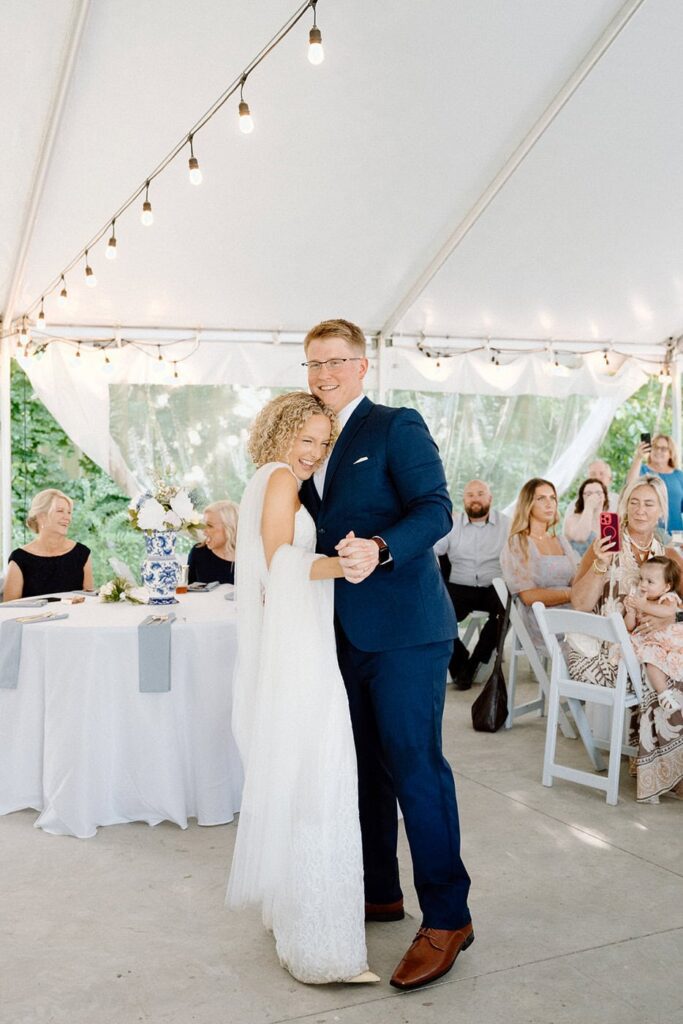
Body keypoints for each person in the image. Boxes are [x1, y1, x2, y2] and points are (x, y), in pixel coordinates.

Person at [299, 318, 472, 993]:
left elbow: (435, 507)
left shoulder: (396, 425)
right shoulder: (308, 440)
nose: (322, 375)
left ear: (363, 365)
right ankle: (379, 892)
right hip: (340, 634)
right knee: (362, 771)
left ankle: (448, 917)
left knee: (414, 770)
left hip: (405, 631)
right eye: (312, 364)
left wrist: (382, 547)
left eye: (335, 361)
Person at [226, 391, 379, 985]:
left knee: (306, 771)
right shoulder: (281, 479)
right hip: (298, 652)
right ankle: (322, 949)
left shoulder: (271, 478)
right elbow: (278, 561)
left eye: (322, 442)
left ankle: (299, 920)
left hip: (297, 640)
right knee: (320, 771)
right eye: (305, 439)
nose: (314, 452)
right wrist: (348, 564)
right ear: (279, 435)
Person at [570, 476, 683, 802]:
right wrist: (601, 566)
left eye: (649, 503)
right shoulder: (603, 544)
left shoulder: (669, 555)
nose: (640, 510)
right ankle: (661, 767)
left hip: (655, 644)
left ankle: (671, 764)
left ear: (662, 510)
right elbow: (579, 602)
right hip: (611, 643)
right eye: (634, 501)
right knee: (662, 669)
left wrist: (668, 616)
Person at [434, 479, 510, 689]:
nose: (475, 498)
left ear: (490, 498)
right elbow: (433, 551)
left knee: (506, 611)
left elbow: (517, 555)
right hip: (460, 587)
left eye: (480, 493)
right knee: (434, 613)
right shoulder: (452, 524)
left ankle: (475, 662)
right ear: (464, 500)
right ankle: (460, 663)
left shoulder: (507, 524)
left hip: (493, 587)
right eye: (470, 495)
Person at [500, 478, 577, 652]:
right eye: (541, 498)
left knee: (610, 630)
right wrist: (572, 594)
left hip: (571, 613)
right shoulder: (518, 543)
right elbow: (528, 596)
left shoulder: (560, 540)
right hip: (540, 620)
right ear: (528, 504)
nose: (549, 504)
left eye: (553, 498)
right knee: (597, 639)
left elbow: (576, 580)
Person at [4, 489, 93, 601]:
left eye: (69, 512)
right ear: (42, 516)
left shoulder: (82, 553)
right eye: (60, 511)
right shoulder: (19, 558)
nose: (67, 517)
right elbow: (9, 609)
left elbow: (89, 602)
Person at [623, 556, 683, 713]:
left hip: (672, 641)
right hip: (651, 643)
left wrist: (643, 605)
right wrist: (631, 612)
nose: (643, 585)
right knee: (651, 660)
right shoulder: (639, 599)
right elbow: (629, 627)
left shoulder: (668, 598)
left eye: (650, 582)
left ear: (666, 587)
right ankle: (663, 693)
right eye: (641, 579)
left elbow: (668, 612)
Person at [625, 434, 683, 532]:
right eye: (655, 447)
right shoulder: (642, 470)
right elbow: (629, 487)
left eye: (663, 448)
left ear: (670, 453)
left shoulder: (679, 475)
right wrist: (638, 457)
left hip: (676, 533)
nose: (658, 451)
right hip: (648, 533)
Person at [187, 500, 238, 584]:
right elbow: (188, 591)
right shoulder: (198, 552)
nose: (204, 531)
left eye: (210, 526)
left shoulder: (248, 558)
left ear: (229, 528)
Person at [562, 478, 609, 558]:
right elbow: (581, 537)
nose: (594, 496)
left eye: (598, 493)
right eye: (588, 494)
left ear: (604, 497)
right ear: (582, 498)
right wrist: (589, 507)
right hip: (578, 568)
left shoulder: (610, 521)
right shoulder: (572, 519)